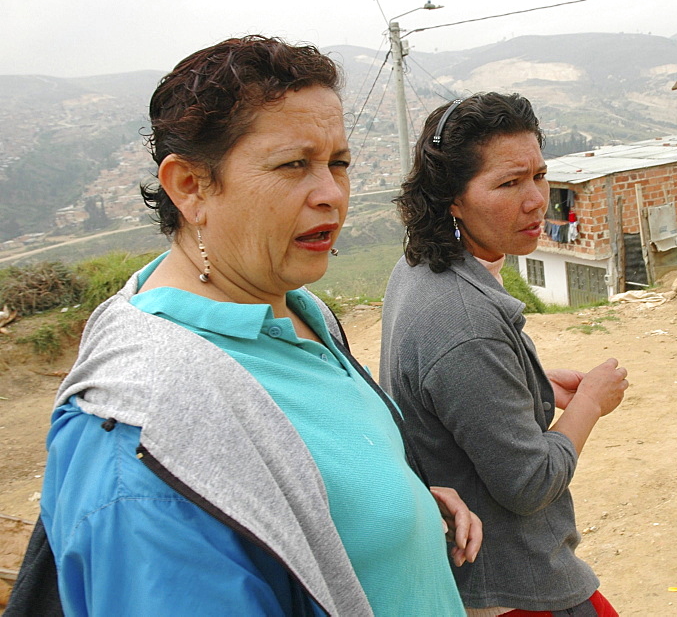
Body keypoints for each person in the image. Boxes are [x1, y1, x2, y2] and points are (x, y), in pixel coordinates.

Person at [10, 36, 480, 616]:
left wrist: (396, 511)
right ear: (189, 185)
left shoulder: (299, 312)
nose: (332, 195)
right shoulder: (144, 443)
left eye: (339, 163)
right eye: (292, 165)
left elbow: (302, 488)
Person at [379, 93, 629, 616]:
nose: (537, 199)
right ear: (451, 198)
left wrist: (532, 384)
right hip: (513, 589)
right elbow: (529, 482)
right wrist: (590, 405)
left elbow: (451, 399)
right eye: (508, 183)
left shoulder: (419, 269)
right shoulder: (464, 320)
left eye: (539, 175)